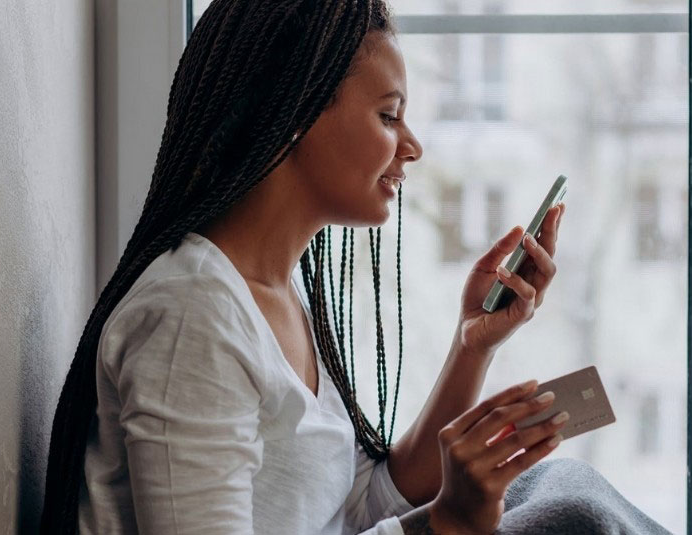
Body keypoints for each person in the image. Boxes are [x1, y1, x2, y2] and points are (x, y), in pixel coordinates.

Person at [38, 1, 635, 534]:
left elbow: (359, 509)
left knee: (559, 490)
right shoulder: (193, 318)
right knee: (571, 509)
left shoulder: (281, 293)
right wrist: (446, 527)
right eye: (388, 115)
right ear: (296, 109)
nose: (413, 145)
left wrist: (471, 344)